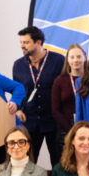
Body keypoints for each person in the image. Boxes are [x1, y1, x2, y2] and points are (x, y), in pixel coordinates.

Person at [12, 26, 65, 166]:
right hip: (30, 121)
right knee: (29, 161)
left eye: (26, 42)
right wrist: (18, 109)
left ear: (38, 42)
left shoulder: (59, 61)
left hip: (54, 121)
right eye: (21, 42)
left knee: (58, 160)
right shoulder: (18, 65)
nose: (22, 46)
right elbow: (17, 91)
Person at [50, 42, 86, 144]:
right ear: (67, 60)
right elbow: (55, 110)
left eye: (79, 56)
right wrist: (71, 130)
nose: (76, 60)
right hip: (66, 129)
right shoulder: (60, 81)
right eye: (72, 57)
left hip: (87, 126)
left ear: (85, 58)